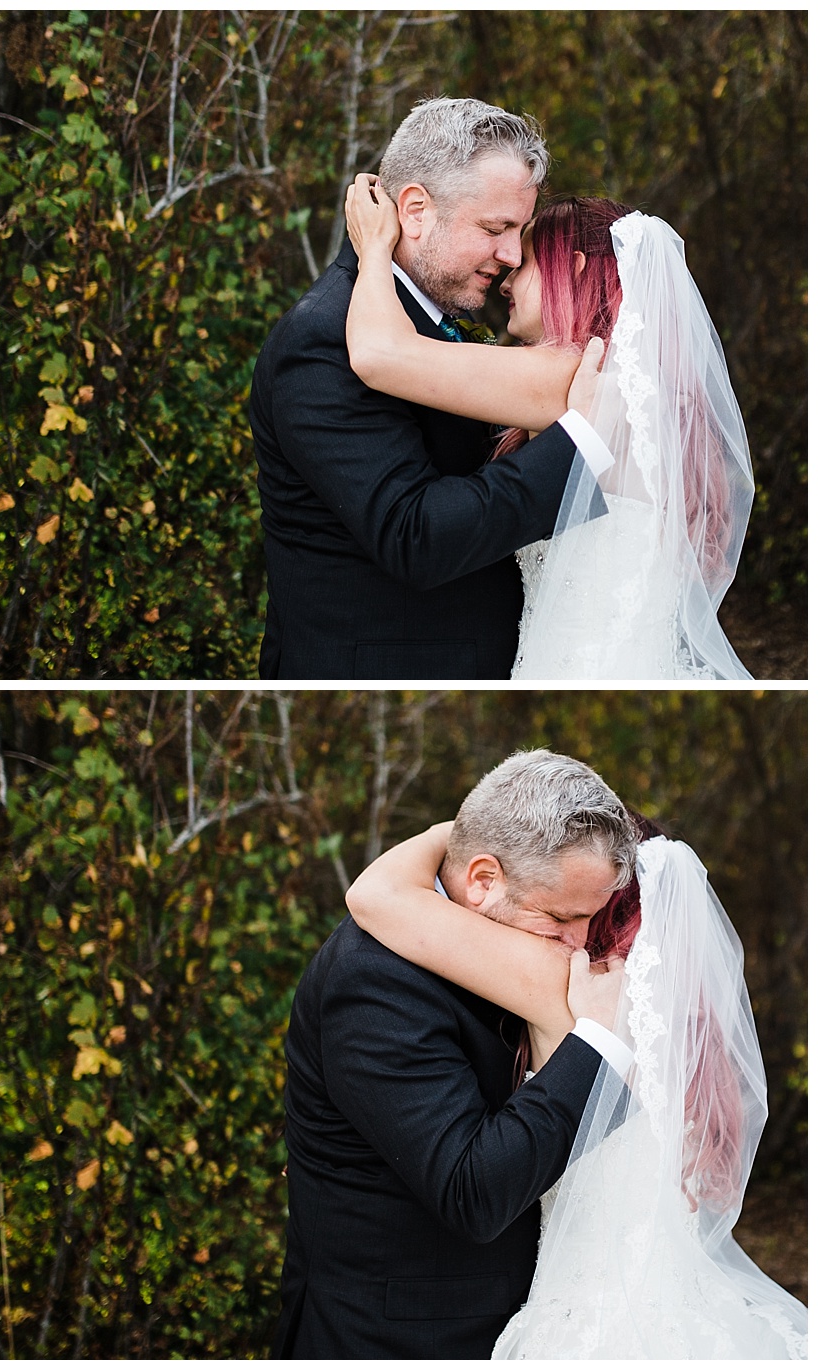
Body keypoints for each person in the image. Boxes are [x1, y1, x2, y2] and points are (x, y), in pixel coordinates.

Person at [346, 757, 808, 1358]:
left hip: (585, 1323)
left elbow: (376, 895)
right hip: (676, 1302)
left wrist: (453, 834)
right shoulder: (674, 1006)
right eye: (564, 912)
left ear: (609, 908)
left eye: (578, 915)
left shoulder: (568, 978)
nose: (570, 935)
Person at [272, 750, 640, 1358]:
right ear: (482, 880)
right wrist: (598, 1044)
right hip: (399, 1339)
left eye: (590, 919)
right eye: (562, 918)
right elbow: (473, 1192)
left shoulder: (488, 933)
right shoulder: (371, 984)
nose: (579, 944)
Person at [249, 97, 613, 680]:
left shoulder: (430, 322)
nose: (512, 256)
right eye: (495, 228)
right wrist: (579, 448)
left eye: (519, 233)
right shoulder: (319, 341)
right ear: (414, 211)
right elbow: (414, 535)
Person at [345, 178, 755, 679]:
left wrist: (372, 248)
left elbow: (378, 354)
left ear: (575, 268)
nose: (506, 278)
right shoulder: (644, 385)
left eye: (528, 261)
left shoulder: (584, 376)